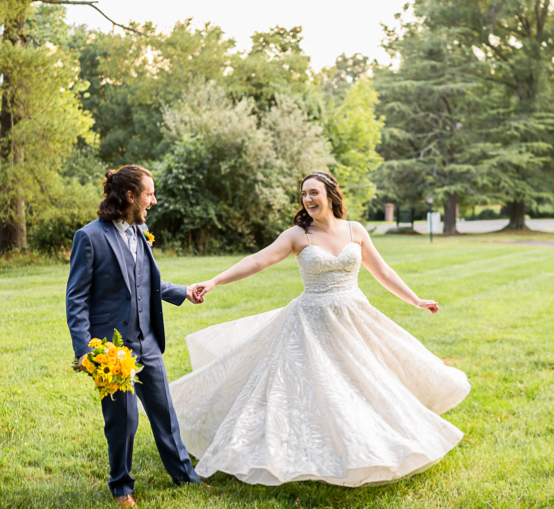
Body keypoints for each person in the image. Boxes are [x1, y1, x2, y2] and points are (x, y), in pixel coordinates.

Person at [172, 171, 470, 487]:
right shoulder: (298, 235)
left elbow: (382, 271)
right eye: (304, 194)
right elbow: (258, 260)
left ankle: (367, 445)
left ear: (330, 194)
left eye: (314, 192)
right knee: (314, 388)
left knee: (364, 383)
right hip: (310, 322)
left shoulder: (355, 230)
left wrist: (416, 300)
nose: (308, 199)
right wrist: (215, 281)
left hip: (353, 317)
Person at [65, 165, 204, 509]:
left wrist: (182, 291)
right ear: (129, 196)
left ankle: (185, 477)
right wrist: (85, 350)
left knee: (164, 414)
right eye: (148, 194)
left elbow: (145, 283)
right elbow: (76, 297)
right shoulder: (90, 236)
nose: (153, 201)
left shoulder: (140, 232)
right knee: (123, 420)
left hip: (147, 341)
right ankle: (121, 487)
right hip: (112, 348)